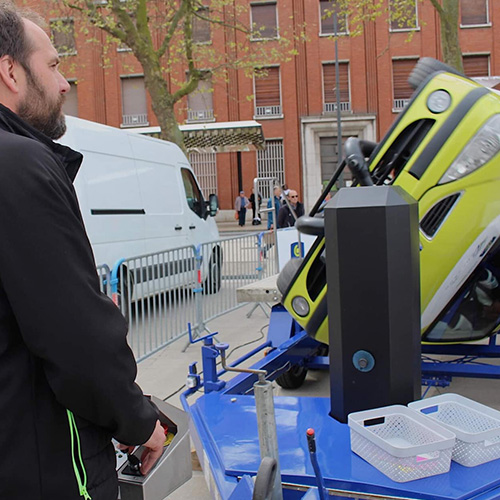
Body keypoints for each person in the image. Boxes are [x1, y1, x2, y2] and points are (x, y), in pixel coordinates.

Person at [0, 5, 165, 499]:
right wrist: (138, 422)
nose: (65, 82)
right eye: (52, 65)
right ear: (9, 71)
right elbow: (75, 338)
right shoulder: (21, 164)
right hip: (45, 461)